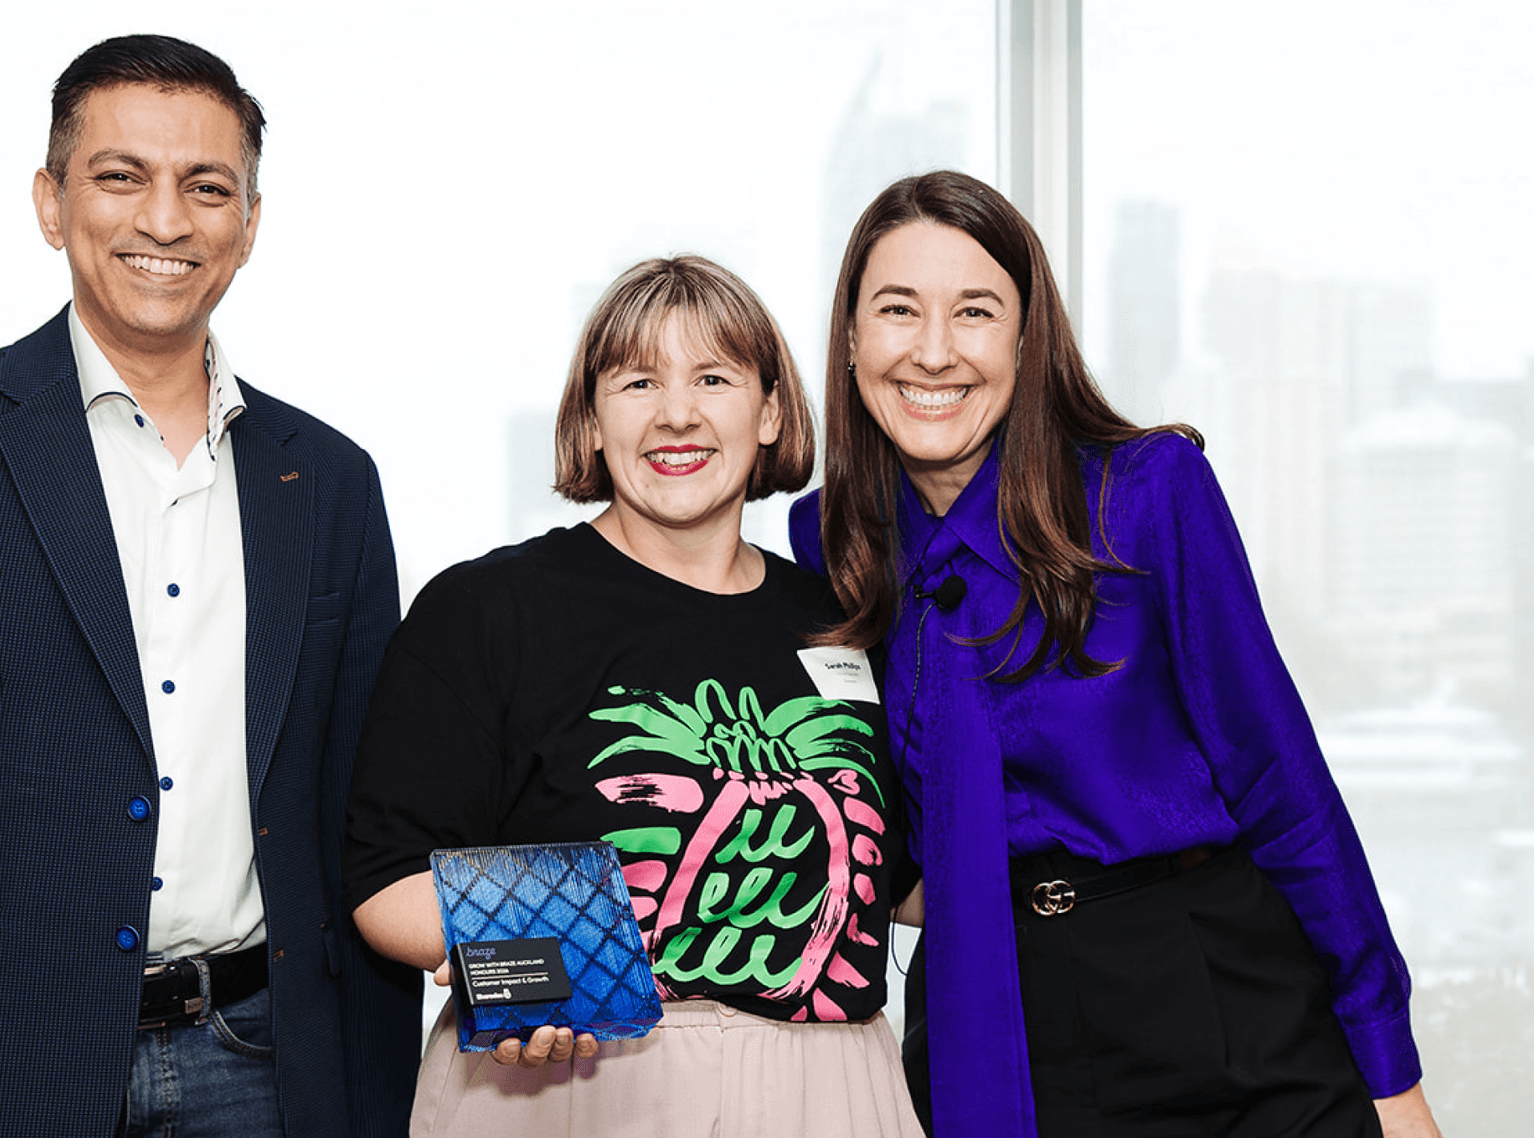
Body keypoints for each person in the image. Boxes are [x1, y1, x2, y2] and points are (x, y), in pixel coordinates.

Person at [0, 34, 418, 1138]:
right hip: (1, 1063)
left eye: (206, 187)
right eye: (121, 176)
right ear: (51, 201)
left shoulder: (330, 480)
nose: (165, 220)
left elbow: (362, 818)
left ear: (249, 223)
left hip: (265, 1067)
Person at [790, 169, 1442, 1138]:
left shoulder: (1146, 491)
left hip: (1210, 988)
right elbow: (864, 804)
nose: (933, 350)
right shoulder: (831, 542)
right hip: (997, 1010)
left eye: (974, 311)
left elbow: (1280, 779)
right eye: (898, 309)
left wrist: (1391, 1072)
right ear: (851, 338)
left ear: (1026, 340)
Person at [344, 255, 923, 1137]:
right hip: (572, 1078)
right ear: (591, 418)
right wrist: (536, 975)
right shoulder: (488, 611)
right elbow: (385, 881)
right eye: (638, 381)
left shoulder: (846, 621)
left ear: (771, 412)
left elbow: (907, 878)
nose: (676, 414)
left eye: (714, 378)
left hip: (831, 1091)